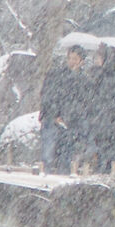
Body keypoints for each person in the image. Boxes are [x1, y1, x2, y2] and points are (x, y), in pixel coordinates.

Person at [37, 46, 88, 174]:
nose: (72, 61)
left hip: (70, 123)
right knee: (47, 155)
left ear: (82, 61)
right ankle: (44, 177)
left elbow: (82, 101)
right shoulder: (56, 75)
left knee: (66, 157)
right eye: (70, 58)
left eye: (75, 59)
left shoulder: (84, 80)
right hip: (52, 119)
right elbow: (48, 96)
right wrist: (55, 115)